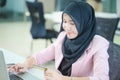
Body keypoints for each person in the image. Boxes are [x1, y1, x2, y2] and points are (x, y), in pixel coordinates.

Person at [9, 1, 110, 80]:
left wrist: (63, 79)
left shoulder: (99, 44)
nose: (66, 27)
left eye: (72, 23)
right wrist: (25, 64)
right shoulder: (63, 37)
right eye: (65, 21)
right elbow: (41, 56)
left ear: (84, 23)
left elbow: (102, 78)